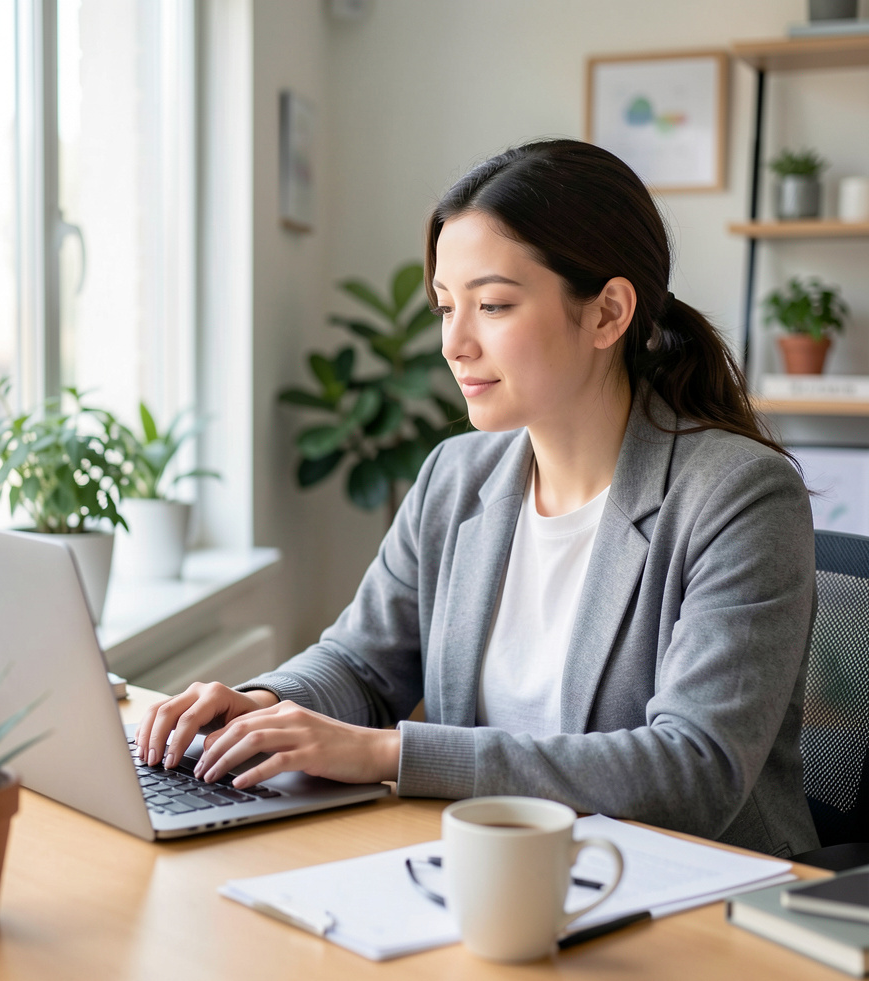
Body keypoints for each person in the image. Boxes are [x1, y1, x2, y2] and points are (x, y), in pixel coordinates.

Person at [135, 139, 819, 857]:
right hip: (494, 873)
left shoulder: (738, 496)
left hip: (699, 909)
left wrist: (388, 755)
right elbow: (363, 664)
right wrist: (266, 706)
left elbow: (694, 770)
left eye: (492, 305)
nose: (454, 343)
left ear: (609, 314)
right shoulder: (454, 477)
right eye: (443, 306)